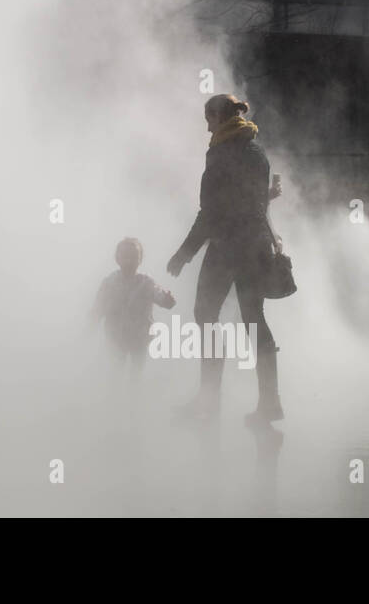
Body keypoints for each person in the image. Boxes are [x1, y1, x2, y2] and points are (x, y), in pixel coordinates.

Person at [166, 94, 284, 427]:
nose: (206, 127)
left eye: (209, 119)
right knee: (254, 318)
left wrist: (183, 254)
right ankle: (269, 403)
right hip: (255, 244)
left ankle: (208, 399)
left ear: (220, 118)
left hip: (227, 247)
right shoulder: (256, 151)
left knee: (205, 314)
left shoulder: (219, 153)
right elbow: (257, 202)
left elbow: (211, 212)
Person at [91, 238, 176, 375]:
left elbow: (159, 296)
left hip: (139, 337)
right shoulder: (109, 282)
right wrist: (91, 323)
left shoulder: (146, 282)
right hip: (115, 335)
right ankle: (114, 395)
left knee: (136, 373)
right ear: (117, 258)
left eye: (133, 257)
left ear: (140, 259)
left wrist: (167, 300)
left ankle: (134, 395)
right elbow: (98, 307)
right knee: (116, 371)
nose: (129, 261)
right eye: (125, 256)